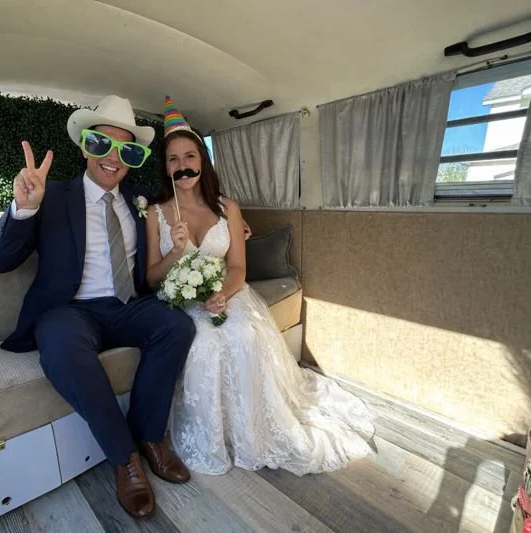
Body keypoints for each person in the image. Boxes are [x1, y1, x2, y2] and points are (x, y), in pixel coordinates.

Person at [0, 95, 195, 519]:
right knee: (60, 342)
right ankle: (125, 458)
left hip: (128, 305)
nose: (113, 158)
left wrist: (227, 217)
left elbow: (184, 208)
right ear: (84, 146)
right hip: (71, 310)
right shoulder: (53, 197)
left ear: (133, 159)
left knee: (177, 325)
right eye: (101, 145)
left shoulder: (139, 202)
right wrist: (24, 209)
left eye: (127, 150)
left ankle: (150, 437)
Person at [145, 96, 376, 477]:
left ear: (202, 162)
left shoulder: (228, 208)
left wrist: (223, 294)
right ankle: (213, 437)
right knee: (202, 343)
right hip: (178, 300)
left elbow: (237, 267)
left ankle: (252, 432)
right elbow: (152, 278)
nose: (183, 166)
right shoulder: (155, 212)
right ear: (166, 167)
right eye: (174, 159)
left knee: (245, 334)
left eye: (190, 157)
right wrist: (177, 252)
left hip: (227, 292)